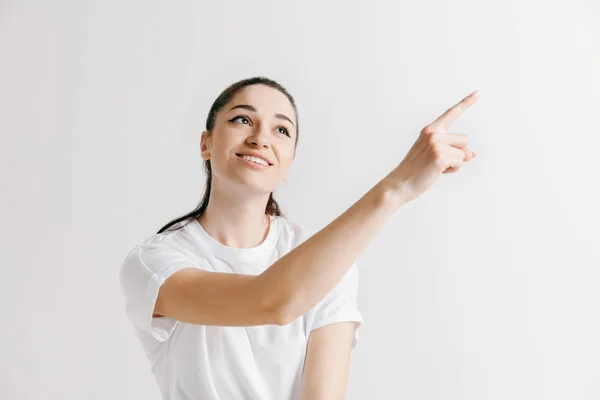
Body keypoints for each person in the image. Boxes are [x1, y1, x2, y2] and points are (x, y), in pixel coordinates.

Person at [119, 76, 478, 400]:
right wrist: (394, 189)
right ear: (206, 143)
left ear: (289, 162)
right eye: (242, 119)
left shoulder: (328, 259)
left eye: (281, 131)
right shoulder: (154, 263)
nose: (260, 138)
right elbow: (273, 301)